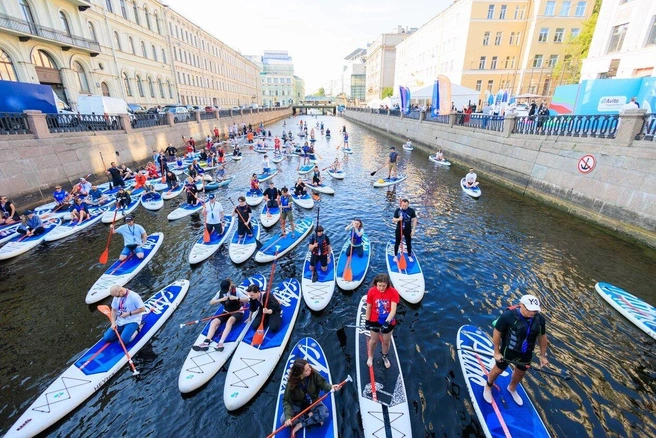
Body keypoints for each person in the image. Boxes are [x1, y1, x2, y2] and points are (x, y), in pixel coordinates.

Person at [483, 295, 549, 406]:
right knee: (498, 370)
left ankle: (512, 388)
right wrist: (496, 352)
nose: (532, 313)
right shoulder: (508, 316)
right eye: (529, 309)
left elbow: (542, 336)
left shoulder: (540, 319)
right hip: (508, 349)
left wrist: (543, 355)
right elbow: (497, 332)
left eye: (535, 310)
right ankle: (488, 386)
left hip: (526, 352)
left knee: (520, 372)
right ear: (521, 305)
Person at [281, 358, 341, 437]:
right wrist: (288, 418)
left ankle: (300, 425)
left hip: (313, 402)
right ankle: (310, 415)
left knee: (324, 413)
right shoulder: (291, 383)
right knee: (284, 420)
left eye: (309, 366)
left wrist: (331, 387)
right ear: (300, 373)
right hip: (298, 405)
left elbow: (323, 384)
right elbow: (287, 401)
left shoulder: (313, 374)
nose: (310, 369)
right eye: (306, 370)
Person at [193, 279, 247, 351]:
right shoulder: (220, 292)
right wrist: (220, 299)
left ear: (229, 287)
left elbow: (247, 299)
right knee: (214, 322)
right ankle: (206, 342)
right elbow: (211, 302)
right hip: (226, 311)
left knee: (229, 321)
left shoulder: (236, 291)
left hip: (238, 311)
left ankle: (221, 343)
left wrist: (236, 298)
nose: (225, 291)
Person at [364, 273, 399, 369]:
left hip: (388, 321)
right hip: (374, 320)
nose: (381, 288)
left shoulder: (393, 292)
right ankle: (370, 356)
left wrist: (387, 322)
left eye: (383, 286)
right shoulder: (371, 291)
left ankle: (384, 356)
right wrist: (367, 321)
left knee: (386, 342)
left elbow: (393, 310)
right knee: (373, 340)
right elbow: (369, 307)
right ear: (376, 284)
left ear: (388, 284)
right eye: (379, 286)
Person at [392, 198, 417, 263]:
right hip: (399, 229)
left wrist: (413, 230)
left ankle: (409, 255)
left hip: (408, 230)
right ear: (401, 204)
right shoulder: (398, 210)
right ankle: (395, 255)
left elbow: (414, 220)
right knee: (397, 243)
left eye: (406, 205)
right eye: (403, 205)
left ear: (408, 204)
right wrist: (399, 219)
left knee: (408, 243)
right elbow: (394, 220)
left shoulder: (411, 211)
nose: (404, 207)